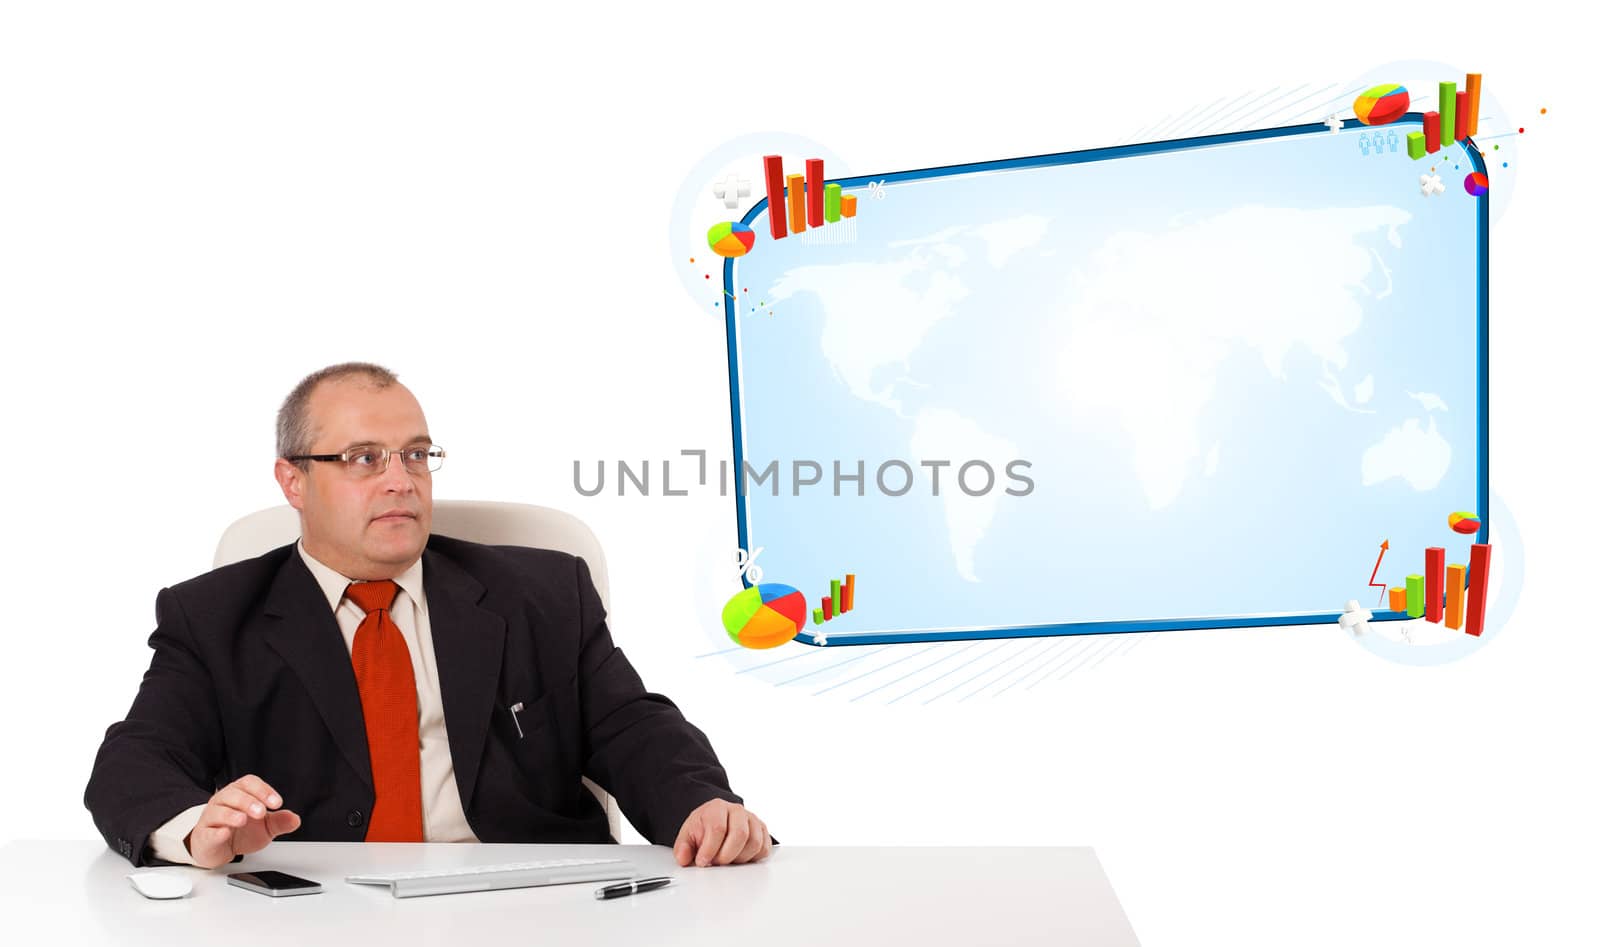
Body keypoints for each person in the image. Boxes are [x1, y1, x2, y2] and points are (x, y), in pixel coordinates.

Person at [84, 362, 770, 870]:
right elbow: (134, 760)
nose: (400, 479)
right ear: (293, 481)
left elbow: (634, 728)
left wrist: (700, 804)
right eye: (363, 458)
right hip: (315, 911)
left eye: (416, 454)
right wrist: (198, 826)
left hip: (530, 903)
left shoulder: (544, 591)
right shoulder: (212, 615)